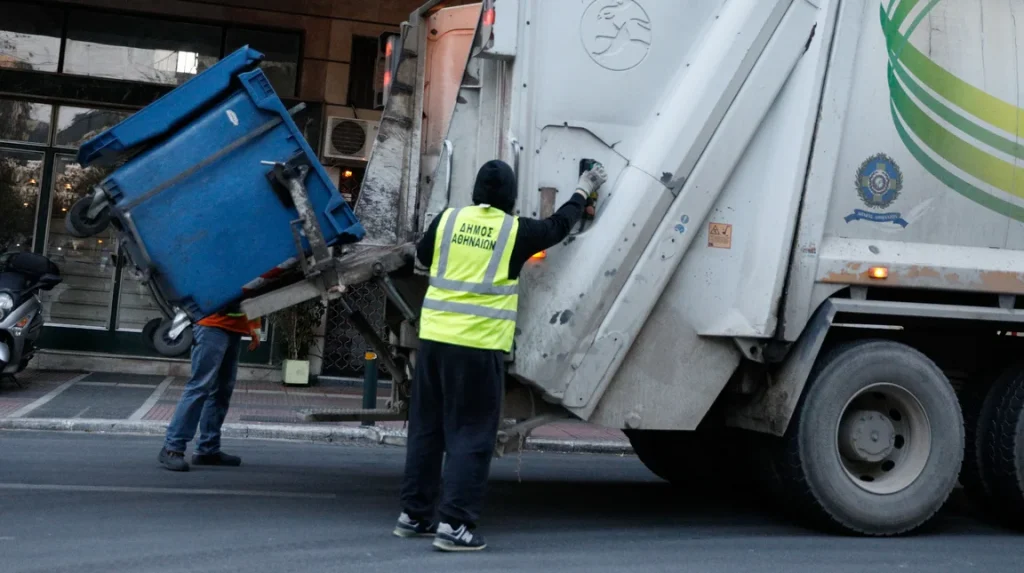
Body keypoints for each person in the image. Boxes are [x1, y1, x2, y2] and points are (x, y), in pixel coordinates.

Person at [395, 159, 608, 551]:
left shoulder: (448, 220)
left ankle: (413, 515)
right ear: (511, 198)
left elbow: (421, 258)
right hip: (478, 348)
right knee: (471, 435)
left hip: (433, 344)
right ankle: (455, 525)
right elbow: (559, 226)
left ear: (476, 192)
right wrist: (583, 189)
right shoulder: (514, 231)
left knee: (428, 430)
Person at [158, 309, 262, 472]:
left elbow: (250, 294)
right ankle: (172, 448)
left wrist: (254, 326)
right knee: (200, 386)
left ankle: (208, 449)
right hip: (210, 325)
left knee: (221, 390)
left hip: (234, 328)